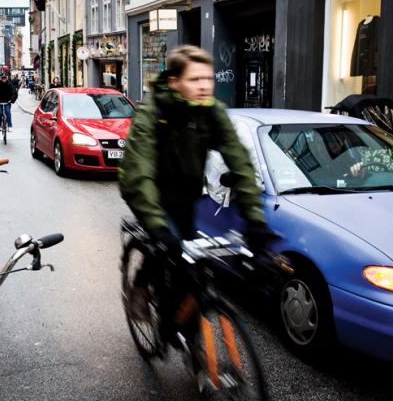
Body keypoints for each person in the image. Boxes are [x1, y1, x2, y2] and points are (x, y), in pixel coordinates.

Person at [119, 45, 278, 319]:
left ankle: (188, 333)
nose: (205, 86)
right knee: (165, 246)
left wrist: (256, 221)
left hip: (186, 195)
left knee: (192, 267)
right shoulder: (153, 112)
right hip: (149, 192)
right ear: (174, 82)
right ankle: (141, 287)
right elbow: (139, 170)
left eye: (208, 78)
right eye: (195, 80)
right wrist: (158, 228)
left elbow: (239, 161)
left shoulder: (211, 112)